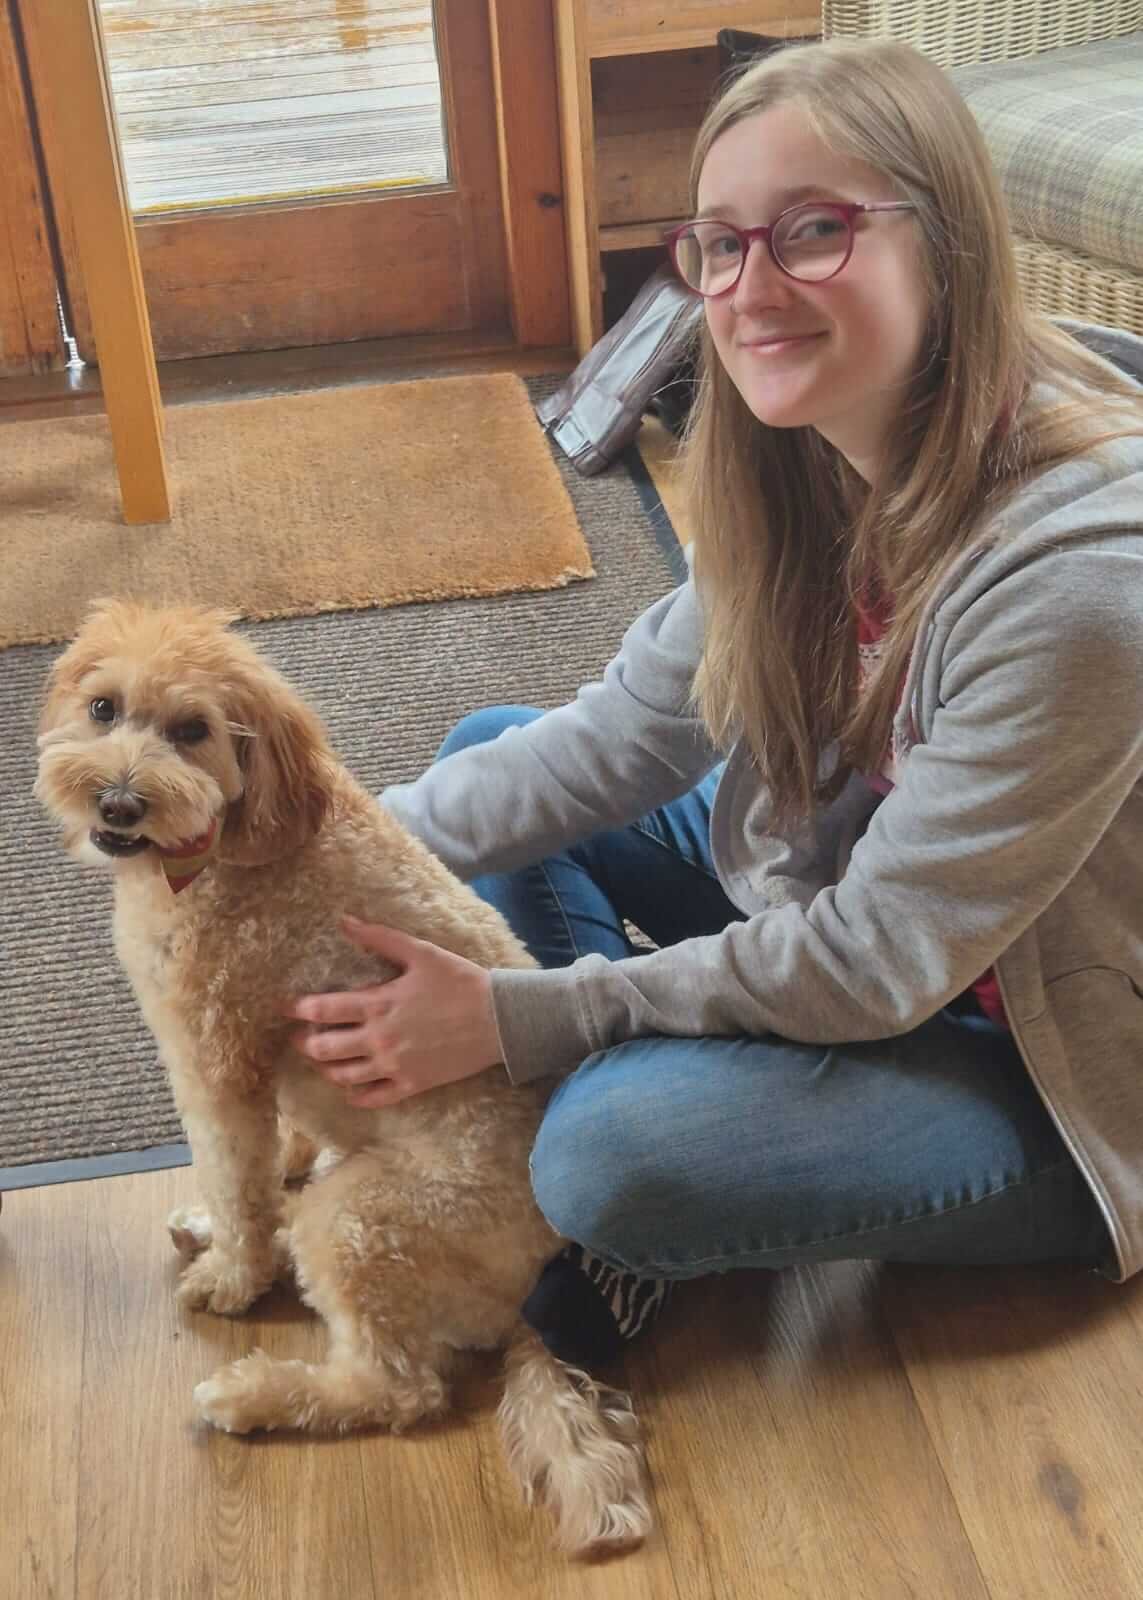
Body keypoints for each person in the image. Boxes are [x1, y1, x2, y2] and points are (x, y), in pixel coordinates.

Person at [282, 39, 1143, 1368]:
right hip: (863, 927)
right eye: (722, 244)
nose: (753, 289)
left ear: (952, 245)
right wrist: (306, 867)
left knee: (609, 1160)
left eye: (815, 231)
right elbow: (617, 739)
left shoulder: (1078, 581)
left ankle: (636, 1140)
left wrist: (525, 1019)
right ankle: (662, 1092)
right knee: (489, 761)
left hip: (1043, 1057)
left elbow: (874, 963)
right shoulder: (802, 459)